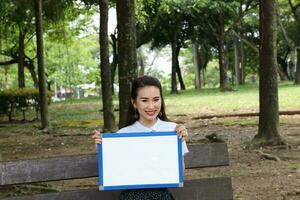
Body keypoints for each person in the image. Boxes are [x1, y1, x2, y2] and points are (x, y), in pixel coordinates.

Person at [93, 75, 189, 200]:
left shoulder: (173, 130)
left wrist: (180, 142)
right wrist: (102, 149)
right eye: (144, 100)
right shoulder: (122, 135)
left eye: (156, 99)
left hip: (162, 196)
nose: (151, 106)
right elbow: (114, 174)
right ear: (134, 103)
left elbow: (179, 174)